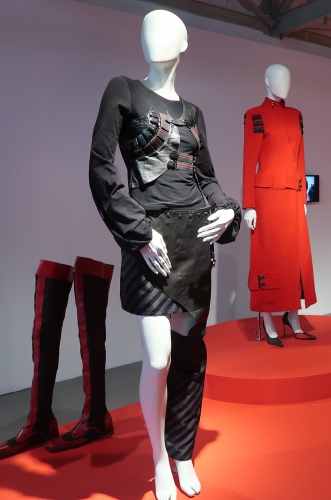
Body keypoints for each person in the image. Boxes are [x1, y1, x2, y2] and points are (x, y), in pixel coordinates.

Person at [88, 10, 240, 499]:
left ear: (185, 42)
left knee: (189, 356)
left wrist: (227, 211)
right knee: (158, 358)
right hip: (151, 242)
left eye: (167, 28)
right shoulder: (124, 90)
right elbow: (101, 165)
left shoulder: (193, 112)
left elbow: (206, 177)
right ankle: (158, 458)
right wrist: (137, 232)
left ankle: (182, 452)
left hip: (195, 241)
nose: (154, 36)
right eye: (147, 27)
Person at [242, 64, 317, 347]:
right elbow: (249, 162)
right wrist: (249, 205)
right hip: (267, 199)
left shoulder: (296, 115)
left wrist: (303, 197)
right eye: (278, 78)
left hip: (292, 198)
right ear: (266, 80)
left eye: (288, 78)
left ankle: (293, 317)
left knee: (295, 258)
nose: (284, 83)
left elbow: (301, 159)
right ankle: (268, 318)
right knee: (268, 258)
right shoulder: (255, 115)